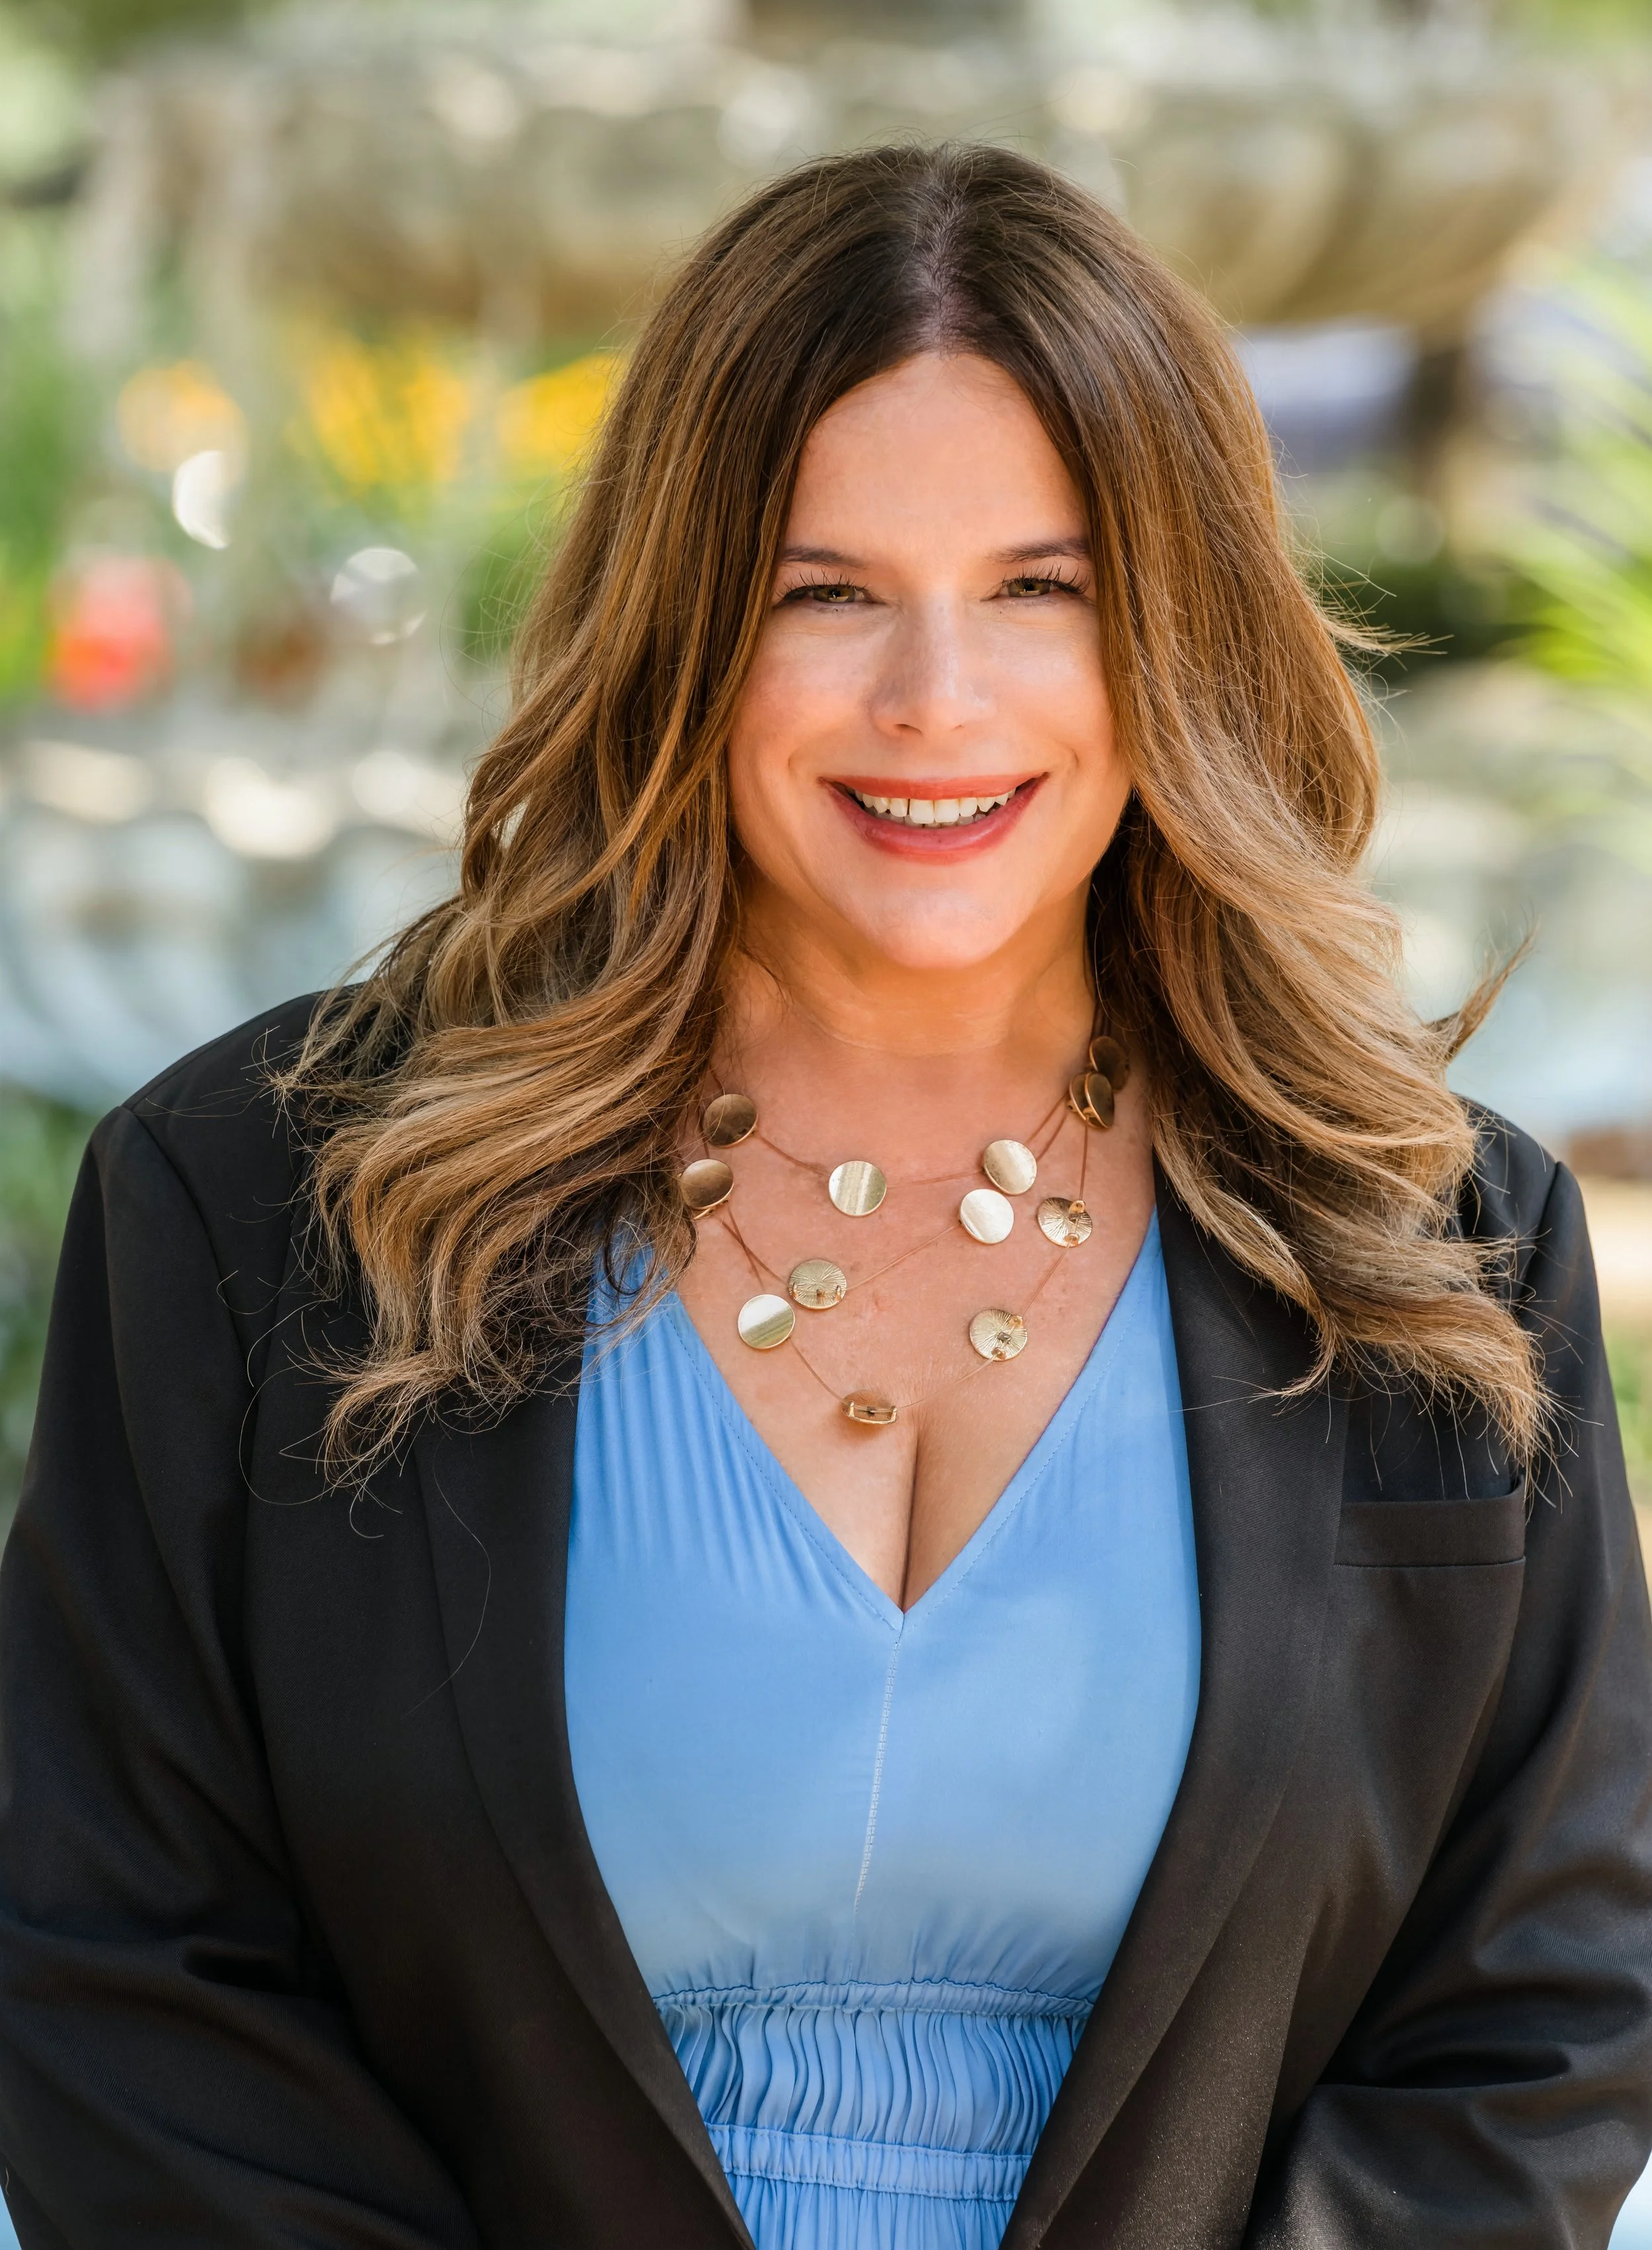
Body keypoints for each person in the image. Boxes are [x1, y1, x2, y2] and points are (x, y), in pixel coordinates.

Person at [1, 143, 1649, 2250]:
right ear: (680, 619)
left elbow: (1541, 2017)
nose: (933, 703)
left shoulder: (1436, 1250)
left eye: (1042, 590)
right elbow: (125, 1981)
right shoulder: (259, 1205)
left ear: (1180, 628)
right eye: (822, 590)